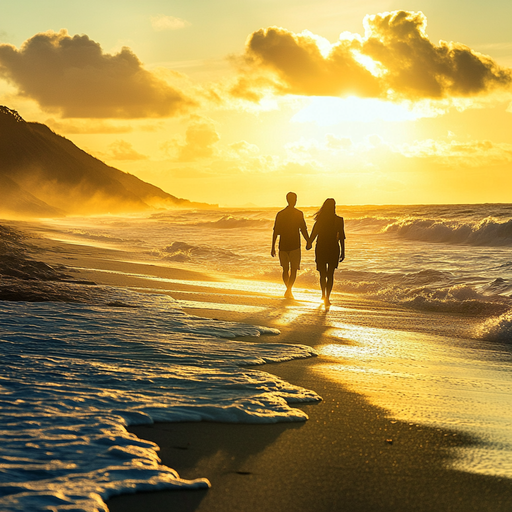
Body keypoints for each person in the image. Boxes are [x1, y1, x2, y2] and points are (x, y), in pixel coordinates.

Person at [306, 198, 345, 306]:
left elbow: (314, 234)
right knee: (330, 274)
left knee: (323, 274)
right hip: (333, 248)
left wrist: (309, 243)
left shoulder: (320, 220)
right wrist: (343, 251)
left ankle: (324, 294)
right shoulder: (339, 220)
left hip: (322, 248)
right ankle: (327, 297)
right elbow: (342, 237)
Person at [271, 192, 310, 299]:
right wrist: (308, 241)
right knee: (293, 270)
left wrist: (273, 247)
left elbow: (275, 231)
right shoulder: (299, 213)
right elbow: (303, 229)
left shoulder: (280, 214)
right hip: (295, 246)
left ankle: (288, 290)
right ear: (295, 200)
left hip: (283, 245)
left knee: (285, 269)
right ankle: (289, 290)